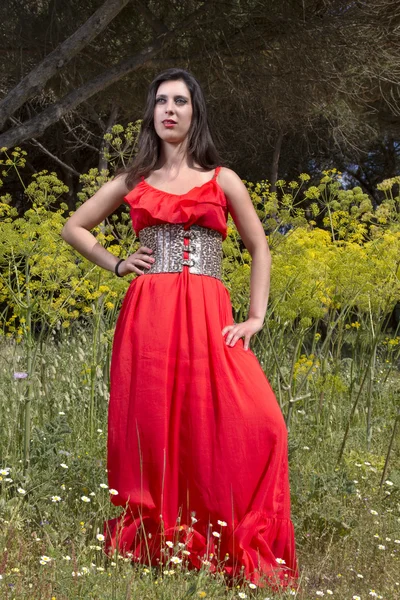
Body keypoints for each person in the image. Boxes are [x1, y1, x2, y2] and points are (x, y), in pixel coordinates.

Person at [61, 68, 298, 589]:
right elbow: (73, 227)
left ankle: (220, 532)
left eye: (181, 101)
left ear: (196, 112)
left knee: (260, 422)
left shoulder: (223, 179)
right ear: (152, 113)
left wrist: (255, 317)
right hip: (149, 314)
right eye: (161, 101)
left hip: (210, 313)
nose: (170, 109)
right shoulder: (134, 180)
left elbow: (260, 247)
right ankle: (160, 536)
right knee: (154, 422)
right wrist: (118, 263)